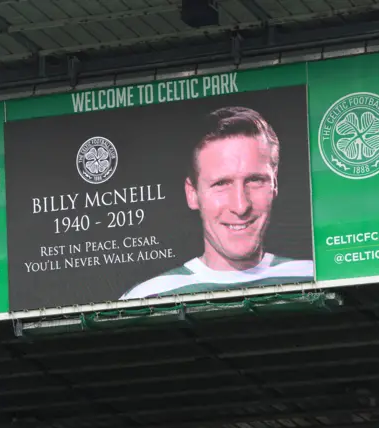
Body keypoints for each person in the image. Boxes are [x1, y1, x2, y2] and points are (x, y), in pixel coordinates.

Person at [120, 106, 314, 300]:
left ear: (275, 184)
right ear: (192, 193)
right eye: (221, 184)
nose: (240, 206)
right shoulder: (146, 298)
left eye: (255, 180)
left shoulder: (316, 278)